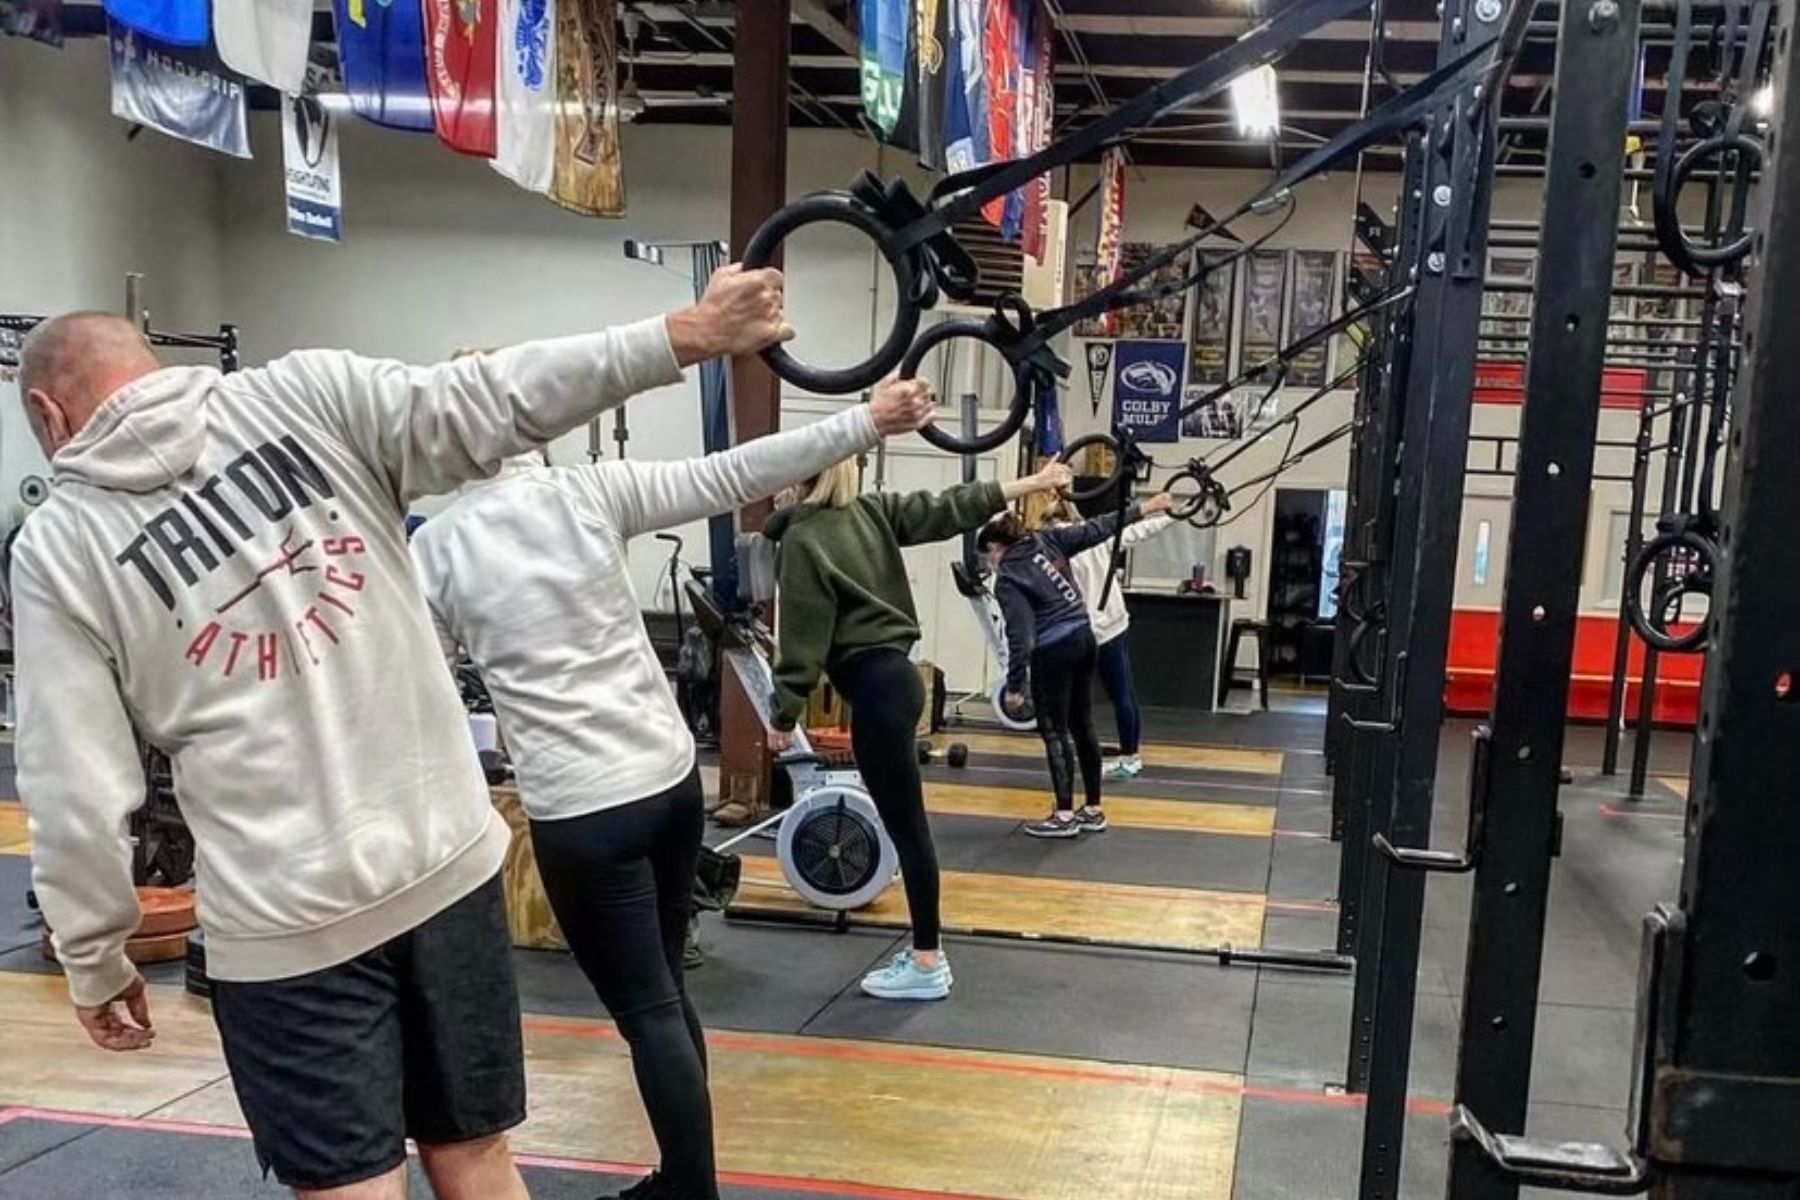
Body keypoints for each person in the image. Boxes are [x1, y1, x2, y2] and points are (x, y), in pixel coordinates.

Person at [10, 266, 787, 1200]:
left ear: (52, 419)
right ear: (155, 362)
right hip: (447, 872)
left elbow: (74, 785)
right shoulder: (304, 393)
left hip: (289, 925)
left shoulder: (61, 545)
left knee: (353, 1191)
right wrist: (685, 333)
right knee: (478, 1161)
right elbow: (496, 395)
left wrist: (96, 954)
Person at [409, 378, 939, 1200]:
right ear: (533, 427)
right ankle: (683, 1182)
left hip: (584, 809)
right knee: (665, 992)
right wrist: (866, 420)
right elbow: (736, 472)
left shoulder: (434, 548)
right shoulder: (583, 491)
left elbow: (429, 701)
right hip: (667, 785)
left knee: (648, 1010)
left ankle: (692, 1195)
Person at [765, 459, 1075, 1001]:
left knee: (909, 831)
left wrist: (783, 713)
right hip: (901, 680)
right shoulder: (873, 512)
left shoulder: (804, 538)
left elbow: (803, 637)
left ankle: (928, 961)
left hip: (877, 691)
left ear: (800, 474)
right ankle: (926, 956)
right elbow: (952, 507)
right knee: (907, 827)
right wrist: (1027, 483)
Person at [978, 493, 1174, 837]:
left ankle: (1065, 816)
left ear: (996, 546)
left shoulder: (1008, 576)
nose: (989, 563)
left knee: (1054, 731)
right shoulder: (1047, 540)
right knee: (1082, 724)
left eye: (987, 555)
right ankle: (1094, 809)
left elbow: (1020, 634)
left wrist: (1013, 687)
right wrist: (1149, 506)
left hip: (1053, 649)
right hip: (1085, 638)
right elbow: (1102, 527)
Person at [1041, 500, 1177, 779]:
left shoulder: (1055, 548)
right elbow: (1139, 531)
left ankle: (1102, 754)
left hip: (1086, 631)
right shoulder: (1098, 539)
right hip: (1115, 624)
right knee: (1123, 693)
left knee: (1075, 698)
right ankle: (1131, 753)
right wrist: (1173, 515)